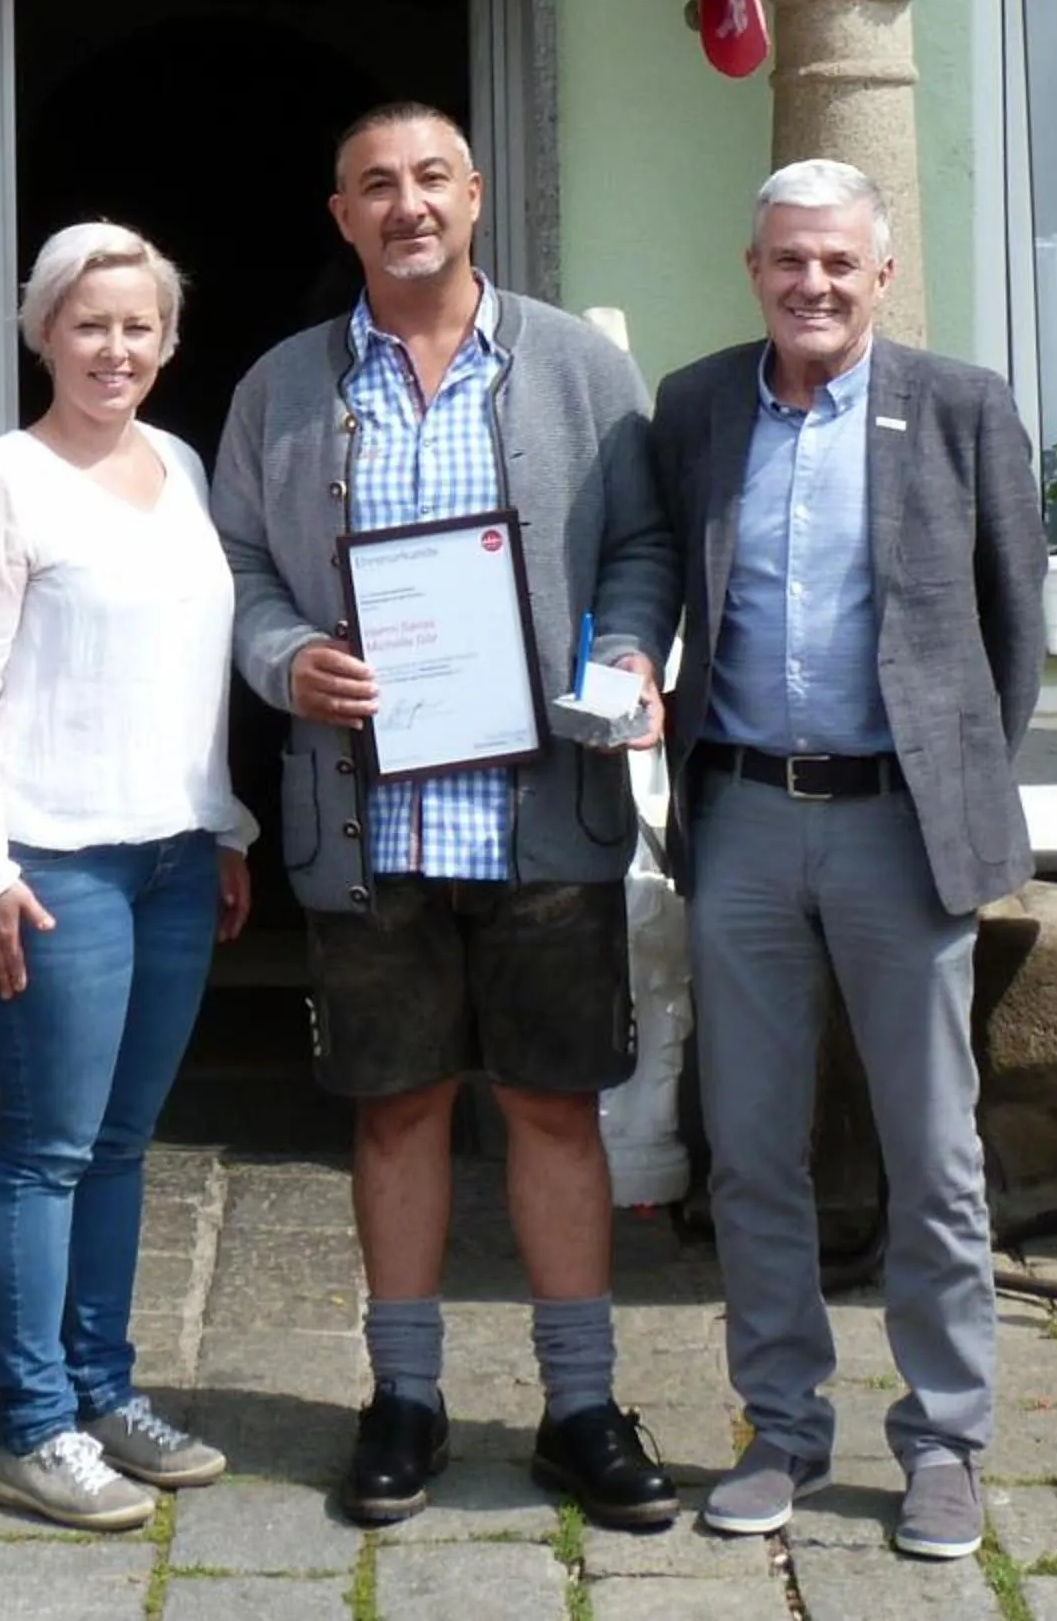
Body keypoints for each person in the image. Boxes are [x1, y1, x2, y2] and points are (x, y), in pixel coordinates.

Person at [213, 103, 680, 1531]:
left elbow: (645, 545)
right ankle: (403, 1400)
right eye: (376, 187)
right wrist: (285, 658)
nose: (407, 205)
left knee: (552, 1108)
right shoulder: (285, 389)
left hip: (543, 816)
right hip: (368, 830)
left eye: (430, 179)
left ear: (475, 197)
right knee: (398, 1109)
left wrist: (627, 656)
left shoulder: (578, 367)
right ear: (341, 215)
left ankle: (581, 1406)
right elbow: (233, 565)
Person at [650, 158, 1045, 1564]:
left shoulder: (958, 406)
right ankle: (783, 1428)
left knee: (932, 1155)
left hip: (899, 823)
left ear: (880, 274)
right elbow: (661, 581)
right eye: (786, 261)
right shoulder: (696, 407)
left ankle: (945, 1442)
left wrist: (947, 789)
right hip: (747, 816)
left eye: (838, 263)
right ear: (752, 268)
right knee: (750, 1148)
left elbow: (1013, 636)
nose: (811, 284)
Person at [0, 223, 254, 1531]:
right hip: (51, 864)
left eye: (138, 327)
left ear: (168, 343)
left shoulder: (177, 463)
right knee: (47, 1149)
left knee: (120, 1145)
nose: (114, 348)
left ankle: (104, 1389)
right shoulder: (2, 480)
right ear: (42, 332)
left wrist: (221, 827)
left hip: (172, 855)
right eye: (88, 323)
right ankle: (34, 1423)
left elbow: (187, 667)